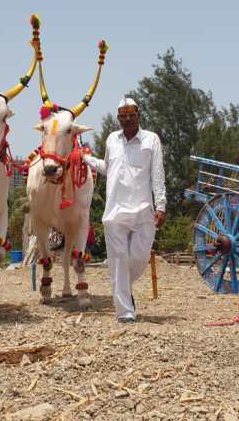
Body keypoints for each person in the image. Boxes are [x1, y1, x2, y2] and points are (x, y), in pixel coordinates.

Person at [83, 97, 166, 323]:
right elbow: (107, 168)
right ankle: (125, 312)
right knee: (119, 261)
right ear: (118, 118)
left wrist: (161, 204)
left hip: (143, 211)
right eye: (123, 115)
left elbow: (157, 174)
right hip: (115, 213)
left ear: (139, 115)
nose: (127, 119)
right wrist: (86, 158)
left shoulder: (152, 140)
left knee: (138, 258)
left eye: (131, 114)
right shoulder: (112, 140)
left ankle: (123, 288)